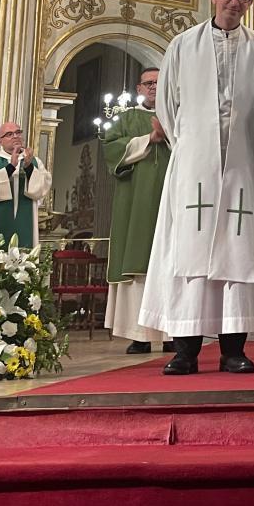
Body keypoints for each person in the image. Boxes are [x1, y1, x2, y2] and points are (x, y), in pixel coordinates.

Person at [137, 0, 254, 374]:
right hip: (194, 163)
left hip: (244, 162)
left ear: (250, 2)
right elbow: (166, 103)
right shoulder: (183, 45)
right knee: (189, 253)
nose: (234, 2)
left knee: (239, 253)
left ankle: (234, 349)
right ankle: (186, 350)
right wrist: (193, 145)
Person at [101, 66, 171, 354]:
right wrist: (147, 140)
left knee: (170, 263)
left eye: (159, 82)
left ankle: (172, 334)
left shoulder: (176, 114)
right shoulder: (126, 118)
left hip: (170, 199)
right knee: (137, 266)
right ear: (139, 88)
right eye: (148, 83)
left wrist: (167, 135)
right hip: (135, 203)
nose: (154, 87)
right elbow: (110, 149)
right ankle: (139, 334)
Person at [0, 122, 52, 249]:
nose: (15, 136)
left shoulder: (34, 161)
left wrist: (28, 168)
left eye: (18, 132)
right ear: (0, 141)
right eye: (9, 134)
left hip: (26, 220)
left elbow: (42, 187)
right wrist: (10, 168)